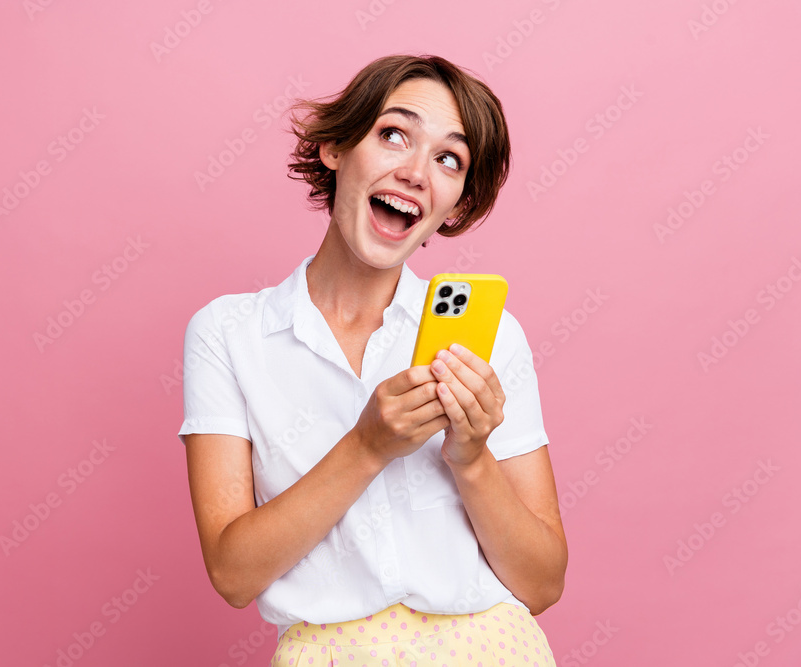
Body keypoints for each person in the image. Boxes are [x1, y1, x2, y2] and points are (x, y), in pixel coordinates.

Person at [179, 54, 566, 666]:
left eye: (448, 159)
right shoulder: (228, 334)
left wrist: (469, 458)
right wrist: (368, 447)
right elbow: (233, 573)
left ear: (456, 201)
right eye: (393, 135)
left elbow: (543, 584)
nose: (416, 172)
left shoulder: (492, 339)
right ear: (337, 148)